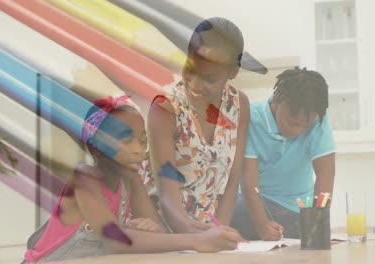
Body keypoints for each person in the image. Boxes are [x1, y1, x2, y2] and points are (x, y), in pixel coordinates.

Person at [23, 95, 243, 263]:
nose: (139, 150)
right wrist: (197, 241)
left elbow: (160, 230)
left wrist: (211, 232)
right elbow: (115, 239)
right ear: (94, 146)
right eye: (126, 141)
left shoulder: (130, 179)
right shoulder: (84, 178)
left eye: (142, 141)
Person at [142, 17, 250, 233]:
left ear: (233, 73)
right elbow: (168, 200)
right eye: (190, 69)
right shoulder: (166, 108)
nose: (195, 84)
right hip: (158, 231)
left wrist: (220, 231)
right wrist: (204, 239)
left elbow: (232, 181)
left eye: (210, 79)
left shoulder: (239, 105)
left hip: (203, 236)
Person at [231, 67, 336, 240]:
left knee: (306, 230)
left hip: (297, 207)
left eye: (306, 126)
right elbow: (249, 183)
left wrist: (317, 219)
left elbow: (326, 173)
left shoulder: (318, 119)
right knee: (234, 215)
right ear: (276, 101)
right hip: (255, 203)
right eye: (293, 122)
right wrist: (262, 225)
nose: (299, 131)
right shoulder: (250, 117)